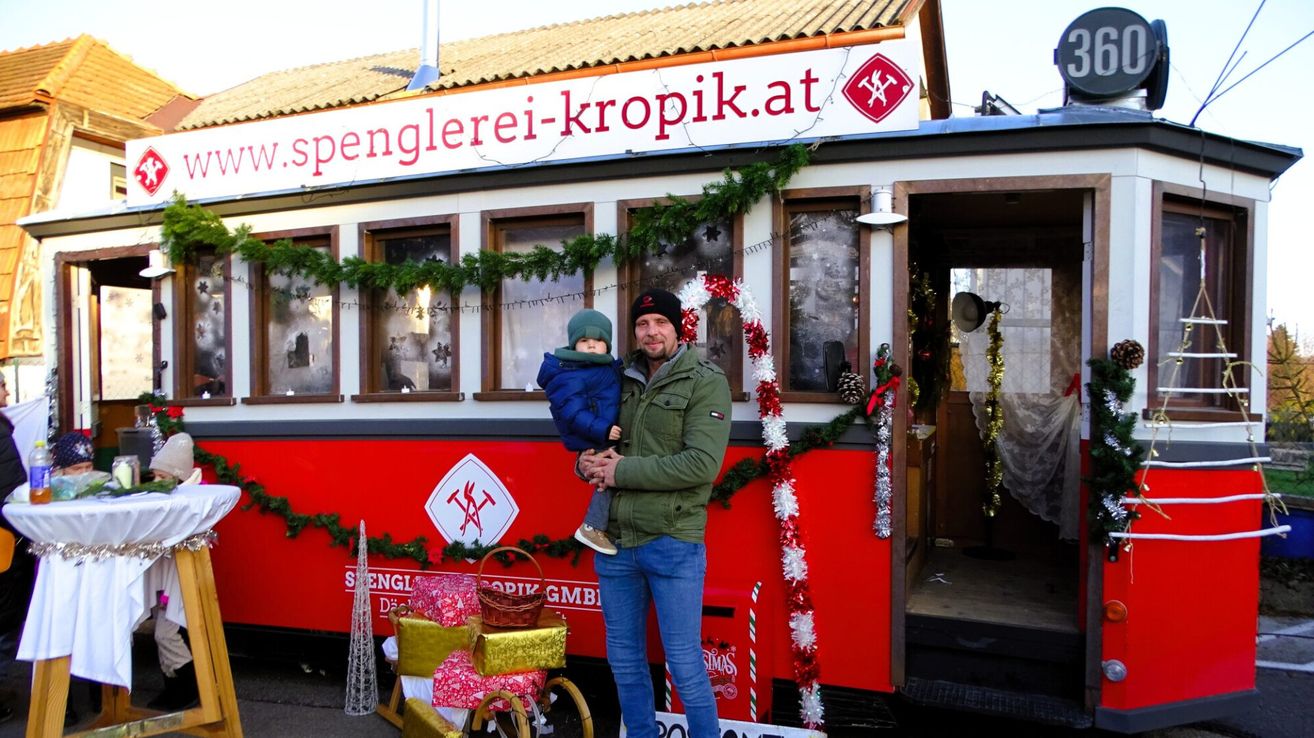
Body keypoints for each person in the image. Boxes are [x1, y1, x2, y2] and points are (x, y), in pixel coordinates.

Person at [578, 288, 732, 738]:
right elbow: (593, 436)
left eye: (660, 323)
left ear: (677, 327)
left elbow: (701, 464)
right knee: (624, 661)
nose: (651, 332)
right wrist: (585, 461)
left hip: (672, 541)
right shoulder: (616, 377)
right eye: (643, 324)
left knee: (684, 664)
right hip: (614, 541)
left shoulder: (705, 380)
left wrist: (622, 472)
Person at [536, 308, 622, 556]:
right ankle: (592, 526)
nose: (592, 346)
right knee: (607, 479)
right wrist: (603, 429)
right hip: (595, 435)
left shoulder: (605, 368)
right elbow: (572, 411)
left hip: (603, 433)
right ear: (574, 345)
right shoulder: (570, 373)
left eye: (598, 341)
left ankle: (595, 526)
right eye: (585, 341)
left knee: (607, 478)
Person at [143, 432, 201, 710]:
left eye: (161, 478)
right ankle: (175, 686)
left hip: (176, 583)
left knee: (165, 634)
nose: (155, 483)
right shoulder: (169, 503)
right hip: (167, 582)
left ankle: (189, 685)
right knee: (166, 632)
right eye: (153, 477)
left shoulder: (180, 507)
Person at [0, 374, 32, 724]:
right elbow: (9, 491)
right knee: (4, 621)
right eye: (3, 386)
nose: (8, 392)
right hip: (3, 543)